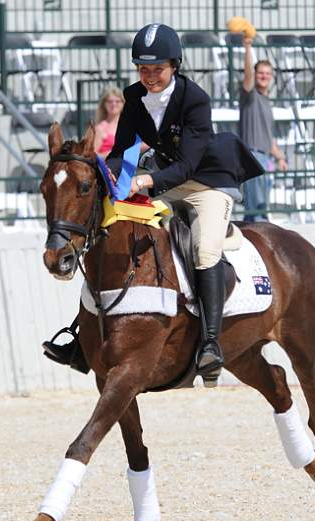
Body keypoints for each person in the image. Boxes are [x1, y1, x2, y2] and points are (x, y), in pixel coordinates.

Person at [44, 23, 263, 382]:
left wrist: (143, 180)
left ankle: (209, 344)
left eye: (157, 69)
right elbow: (120, 151)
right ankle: (83, 338)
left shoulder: (195, 99)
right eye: (143, 69)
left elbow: (188, 165)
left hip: (207, 183)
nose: (149, 76)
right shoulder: (134, 98)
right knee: (111, 229)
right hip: (164, 180)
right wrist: (109, 175)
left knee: (205, 250)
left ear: (174, 65)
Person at [239, 36, 288, 222]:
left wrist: (280, 157)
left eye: (268, 73)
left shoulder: (267, 103)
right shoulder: (250, 96)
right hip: (252, 156)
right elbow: (248, 76)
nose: (264, 76)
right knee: (255, 210)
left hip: (266, 159)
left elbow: (269, 138)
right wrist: (248, 49)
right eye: (260, 72)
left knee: (261, 206)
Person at [94, 87, 125, 158]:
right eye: (110, 101)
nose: (114, 104)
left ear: (123, 104)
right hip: (107, 167)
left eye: (117, 101)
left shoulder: (130, 125)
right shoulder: (100, 128)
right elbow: (93, 156)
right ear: (104, 104)